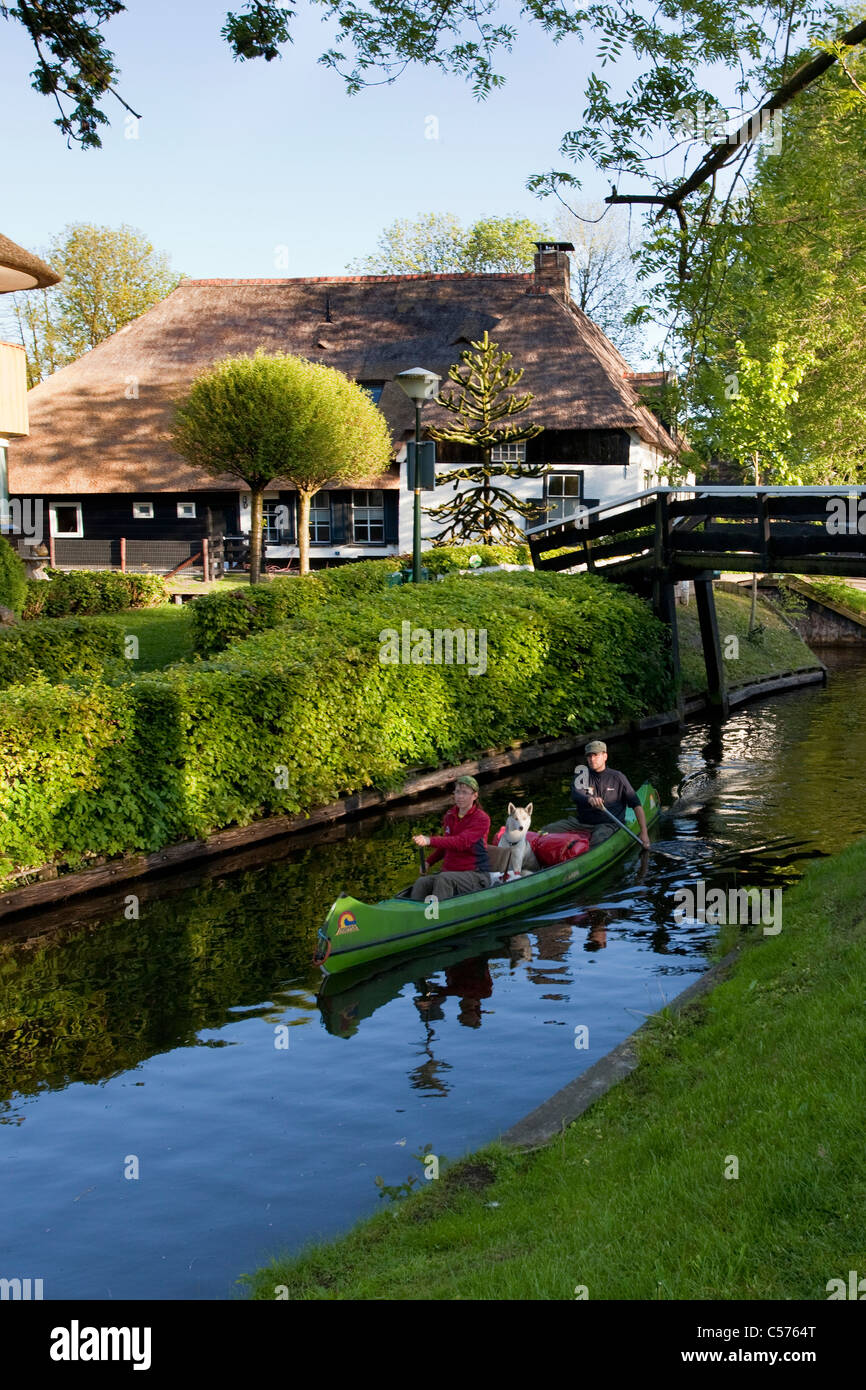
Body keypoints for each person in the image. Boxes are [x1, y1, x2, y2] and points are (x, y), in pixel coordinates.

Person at [540, 740, 651, 848]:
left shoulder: (618, 777)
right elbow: (577, 794)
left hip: (609, 824)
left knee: (598, 840)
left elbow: (636, 805)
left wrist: (644, 833)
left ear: (605, 756)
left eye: (595, 755)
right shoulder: (581, 775)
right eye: (589, 756)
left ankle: (586, 857)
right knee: (545, 831)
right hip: (582, 822)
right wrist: (589, 799)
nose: (592, 759)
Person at [410, 774, 491, 900]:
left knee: (444, 879)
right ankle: (413, 912)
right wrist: (428, 862)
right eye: (457, 792)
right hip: (450, 873)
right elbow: (446, 846)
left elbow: (461, 842)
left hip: (476, 875)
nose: (459, 796)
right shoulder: (450, 815)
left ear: (474, 796)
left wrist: (429, 840)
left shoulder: (482, 819)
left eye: (464, 793)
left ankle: (436, 915)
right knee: (422, 882)